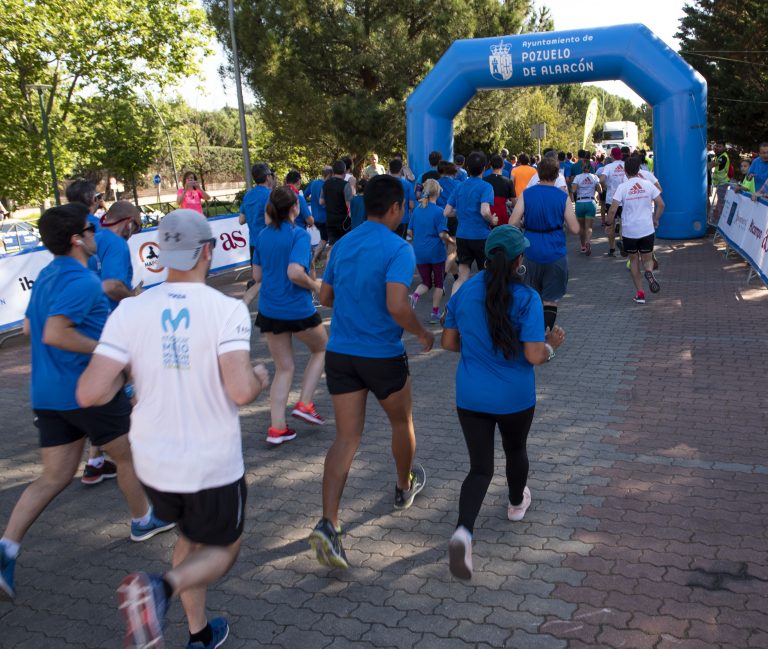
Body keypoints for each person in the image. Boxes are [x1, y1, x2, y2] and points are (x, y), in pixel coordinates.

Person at [77, 209, 270, 649]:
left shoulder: (129, 310)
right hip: (210, 464)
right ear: (207, 250)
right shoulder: (227, 311)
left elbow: (90, 392)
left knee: (189, 536)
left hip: (153, 464)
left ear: (161, 255)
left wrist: (133, 376)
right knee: (222, 550)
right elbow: (240, 391)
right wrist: (259, 375)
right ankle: (158, 590)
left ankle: (199, 635)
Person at [0, 204, 174, 602]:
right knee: (128, 455)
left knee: (54, 477)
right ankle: (142, 519)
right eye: (89, 229)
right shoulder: (81, 281)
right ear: (77, 239)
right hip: (90, 391)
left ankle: (6, 549)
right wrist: (107, 350)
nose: (97, 235)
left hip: (48, 395)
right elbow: (55, 333)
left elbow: (30, 326)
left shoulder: (46, 276)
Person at [308, 174, 434, 569]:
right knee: (401, 423)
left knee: (346, 439)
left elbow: (325, 297)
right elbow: (397, 305)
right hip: (381, 354)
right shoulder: (399, 248)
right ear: (396, 207)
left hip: (341, 353)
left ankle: (329, 524)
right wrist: (422, 333)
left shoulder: (343, 243)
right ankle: (403, 487)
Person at [441, 225, 566, 580]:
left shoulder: (463, 293)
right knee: (516, 451)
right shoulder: (527, 299)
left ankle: (463, 532)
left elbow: (449, 343)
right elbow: (533, 355)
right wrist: (552, 346)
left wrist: (481, 349)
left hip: (471, 395)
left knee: (480, 468)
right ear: (518, 261)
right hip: (514, 396)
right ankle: (515, 504)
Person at [250, 187, 327, 444]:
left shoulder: (261, 235)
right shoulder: (299, 235)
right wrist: (316, 285)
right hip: (296, 307)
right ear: (295, 207)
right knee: (322, 348)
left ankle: (277, 428)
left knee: (284, 367)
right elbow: (294, 272)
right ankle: (304, 403)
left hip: (270, 309)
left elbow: (257, 277)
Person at [509, 157, 579, 331]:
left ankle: (529, 333)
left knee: (530, 296)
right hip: (555, 251)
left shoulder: (527, 194)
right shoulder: (562, 197)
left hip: (530, 250)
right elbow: (575, 229)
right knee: (550, 300)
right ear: (557, 175)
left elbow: (512, 223)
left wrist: (525, 224)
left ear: (538, 173)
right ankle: (545, 337)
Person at [606, 156, 665, 304]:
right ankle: (649, 273)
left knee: (633, 260)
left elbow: (613, 210)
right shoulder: (648, 184)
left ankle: (640, 293)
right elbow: (662, 204)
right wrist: (655, 219)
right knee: (647, 258)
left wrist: (608, 223)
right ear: (639, 169)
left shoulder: (622, 187)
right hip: (646, 229)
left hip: (630, 230)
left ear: (625, 171)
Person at [444, 151, 497, 295]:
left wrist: (461, 212)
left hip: (462, 236)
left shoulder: (459, 186)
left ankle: (451, 308)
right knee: (487, 275)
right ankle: (486, 307)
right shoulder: (486, 187)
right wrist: (493, 220)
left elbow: (447, 212)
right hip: (481, 236)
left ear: (467, 167)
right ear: (485, 168)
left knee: (462, 276)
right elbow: (484, 211)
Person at [408, 179, 453, 323]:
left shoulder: (417, 209)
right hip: (436, 252)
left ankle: (415, 295)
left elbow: (409, 231)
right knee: (439, 283)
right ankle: (434, 313)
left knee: (426, 282)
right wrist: (452, 242)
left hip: (419, 251)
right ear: (438, 192)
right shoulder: (439, 211)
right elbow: (442, 234)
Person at [239, 162, 274, 264]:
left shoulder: (248, 195)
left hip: (253, 244)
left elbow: (241, 220)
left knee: (257, 278)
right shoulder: (270, 194)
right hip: (269, 243)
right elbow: (270, 221)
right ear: (268, 177)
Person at [599, 148, 627, 257]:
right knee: (624, 224)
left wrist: (605, 186)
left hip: (611, 199)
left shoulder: (608, 167)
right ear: (621, 155)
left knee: (611, 224)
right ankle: (624, 244)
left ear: (611, 156)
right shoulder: (626, 165)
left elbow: (601, 179)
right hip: (624, 199)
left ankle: (612, 249)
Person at [570, 159, 601, 256]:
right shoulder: (594, 177)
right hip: (590, 202)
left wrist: (578, 187)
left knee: (582, 227)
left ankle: (583, 246)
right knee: (589, 227)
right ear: (590, 168)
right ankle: (588, 242)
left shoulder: (577, 177)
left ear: (581, 168)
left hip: (580, 203)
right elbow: (600, 190)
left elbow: (573, 190)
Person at [320, 160, 353, 248]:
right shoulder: (346, 185)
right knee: (344, 247)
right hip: (343, 222)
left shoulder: (326, 184)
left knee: (332, 247)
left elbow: (321, 202)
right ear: (344, 171)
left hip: (330, 220)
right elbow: (349, 205)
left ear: (333, 171)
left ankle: (329, 261)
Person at [305, 166, 332, 267]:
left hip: (315, 217)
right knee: (324, 239)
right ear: (328, 175)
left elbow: (304, 195)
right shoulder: (325, 186)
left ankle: (315, 260)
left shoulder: (313, 183)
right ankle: (313, 259)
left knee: (324, 238)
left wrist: (312, 201)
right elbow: (324, 203)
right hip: (323, 217)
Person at [484, 154, 515, 226]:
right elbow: (514, 203)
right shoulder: (508, 182)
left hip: (488, 216)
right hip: (502, 216)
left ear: (491, 166)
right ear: (503, 166)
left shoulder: (485, 180)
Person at [389, 159, 415, 237]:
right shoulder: (408, 184)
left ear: (390, 169)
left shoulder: (384, 183)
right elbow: (411, 205)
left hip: (387, 219)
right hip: (402, 219)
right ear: (401, 169)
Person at [708, 141, 731, 223]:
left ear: (724, 147)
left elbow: (712, 165)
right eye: (716, 146)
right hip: (719, 183)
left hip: (723, 183)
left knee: (720, 203)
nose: (717, 148)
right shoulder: (718, 155)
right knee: (719, 202)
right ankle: (715, 221)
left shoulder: (723, 157)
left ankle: (717, 221)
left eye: (720, 146)